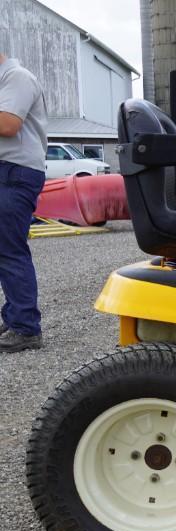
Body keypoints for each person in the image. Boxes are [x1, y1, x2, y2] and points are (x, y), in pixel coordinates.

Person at [0, 52, 48, 352]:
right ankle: (15, 316)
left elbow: (7, 125)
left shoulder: (17, 78)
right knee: (4, 248)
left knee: (10, 249)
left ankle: (26, 328)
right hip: (9, 171)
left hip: (16, 172)